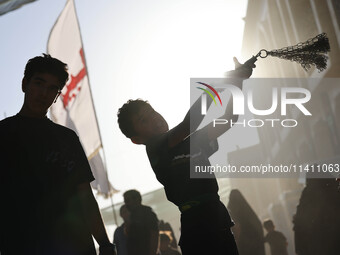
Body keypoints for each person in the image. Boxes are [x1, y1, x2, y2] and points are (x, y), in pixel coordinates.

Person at [117, 57, 256, 255]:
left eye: (152, 111)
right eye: (144, 120)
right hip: (196, 227)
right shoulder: (155, 148)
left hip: (218, 219)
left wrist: (237, 83)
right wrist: (217, 86)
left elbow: (229, 118)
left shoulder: (191, 141)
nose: (154, 118)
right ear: (136, 139)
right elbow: (189, 123)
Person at [0, 54, 115, 255]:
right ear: (24, 84)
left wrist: (105, 243)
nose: (44, 93)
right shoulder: (4, 133)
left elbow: (85, 196)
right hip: (21, 244)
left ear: (57, 96)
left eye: (53, 88)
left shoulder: (67, 138)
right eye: (39, 83)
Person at [227, 189, 265, 255]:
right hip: (254, 246)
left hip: (242, 247)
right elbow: (258, 228)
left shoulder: (231, 213)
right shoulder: (249, 213)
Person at [123, 189, 159, 255]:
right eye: (125, 201)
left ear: (136, 199)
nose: (126, 204)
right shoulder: (131, 215)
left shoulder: (148, 213)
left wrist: (152, 253)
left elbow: (154, 235)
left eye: (127, 201)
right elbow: (128, 234)